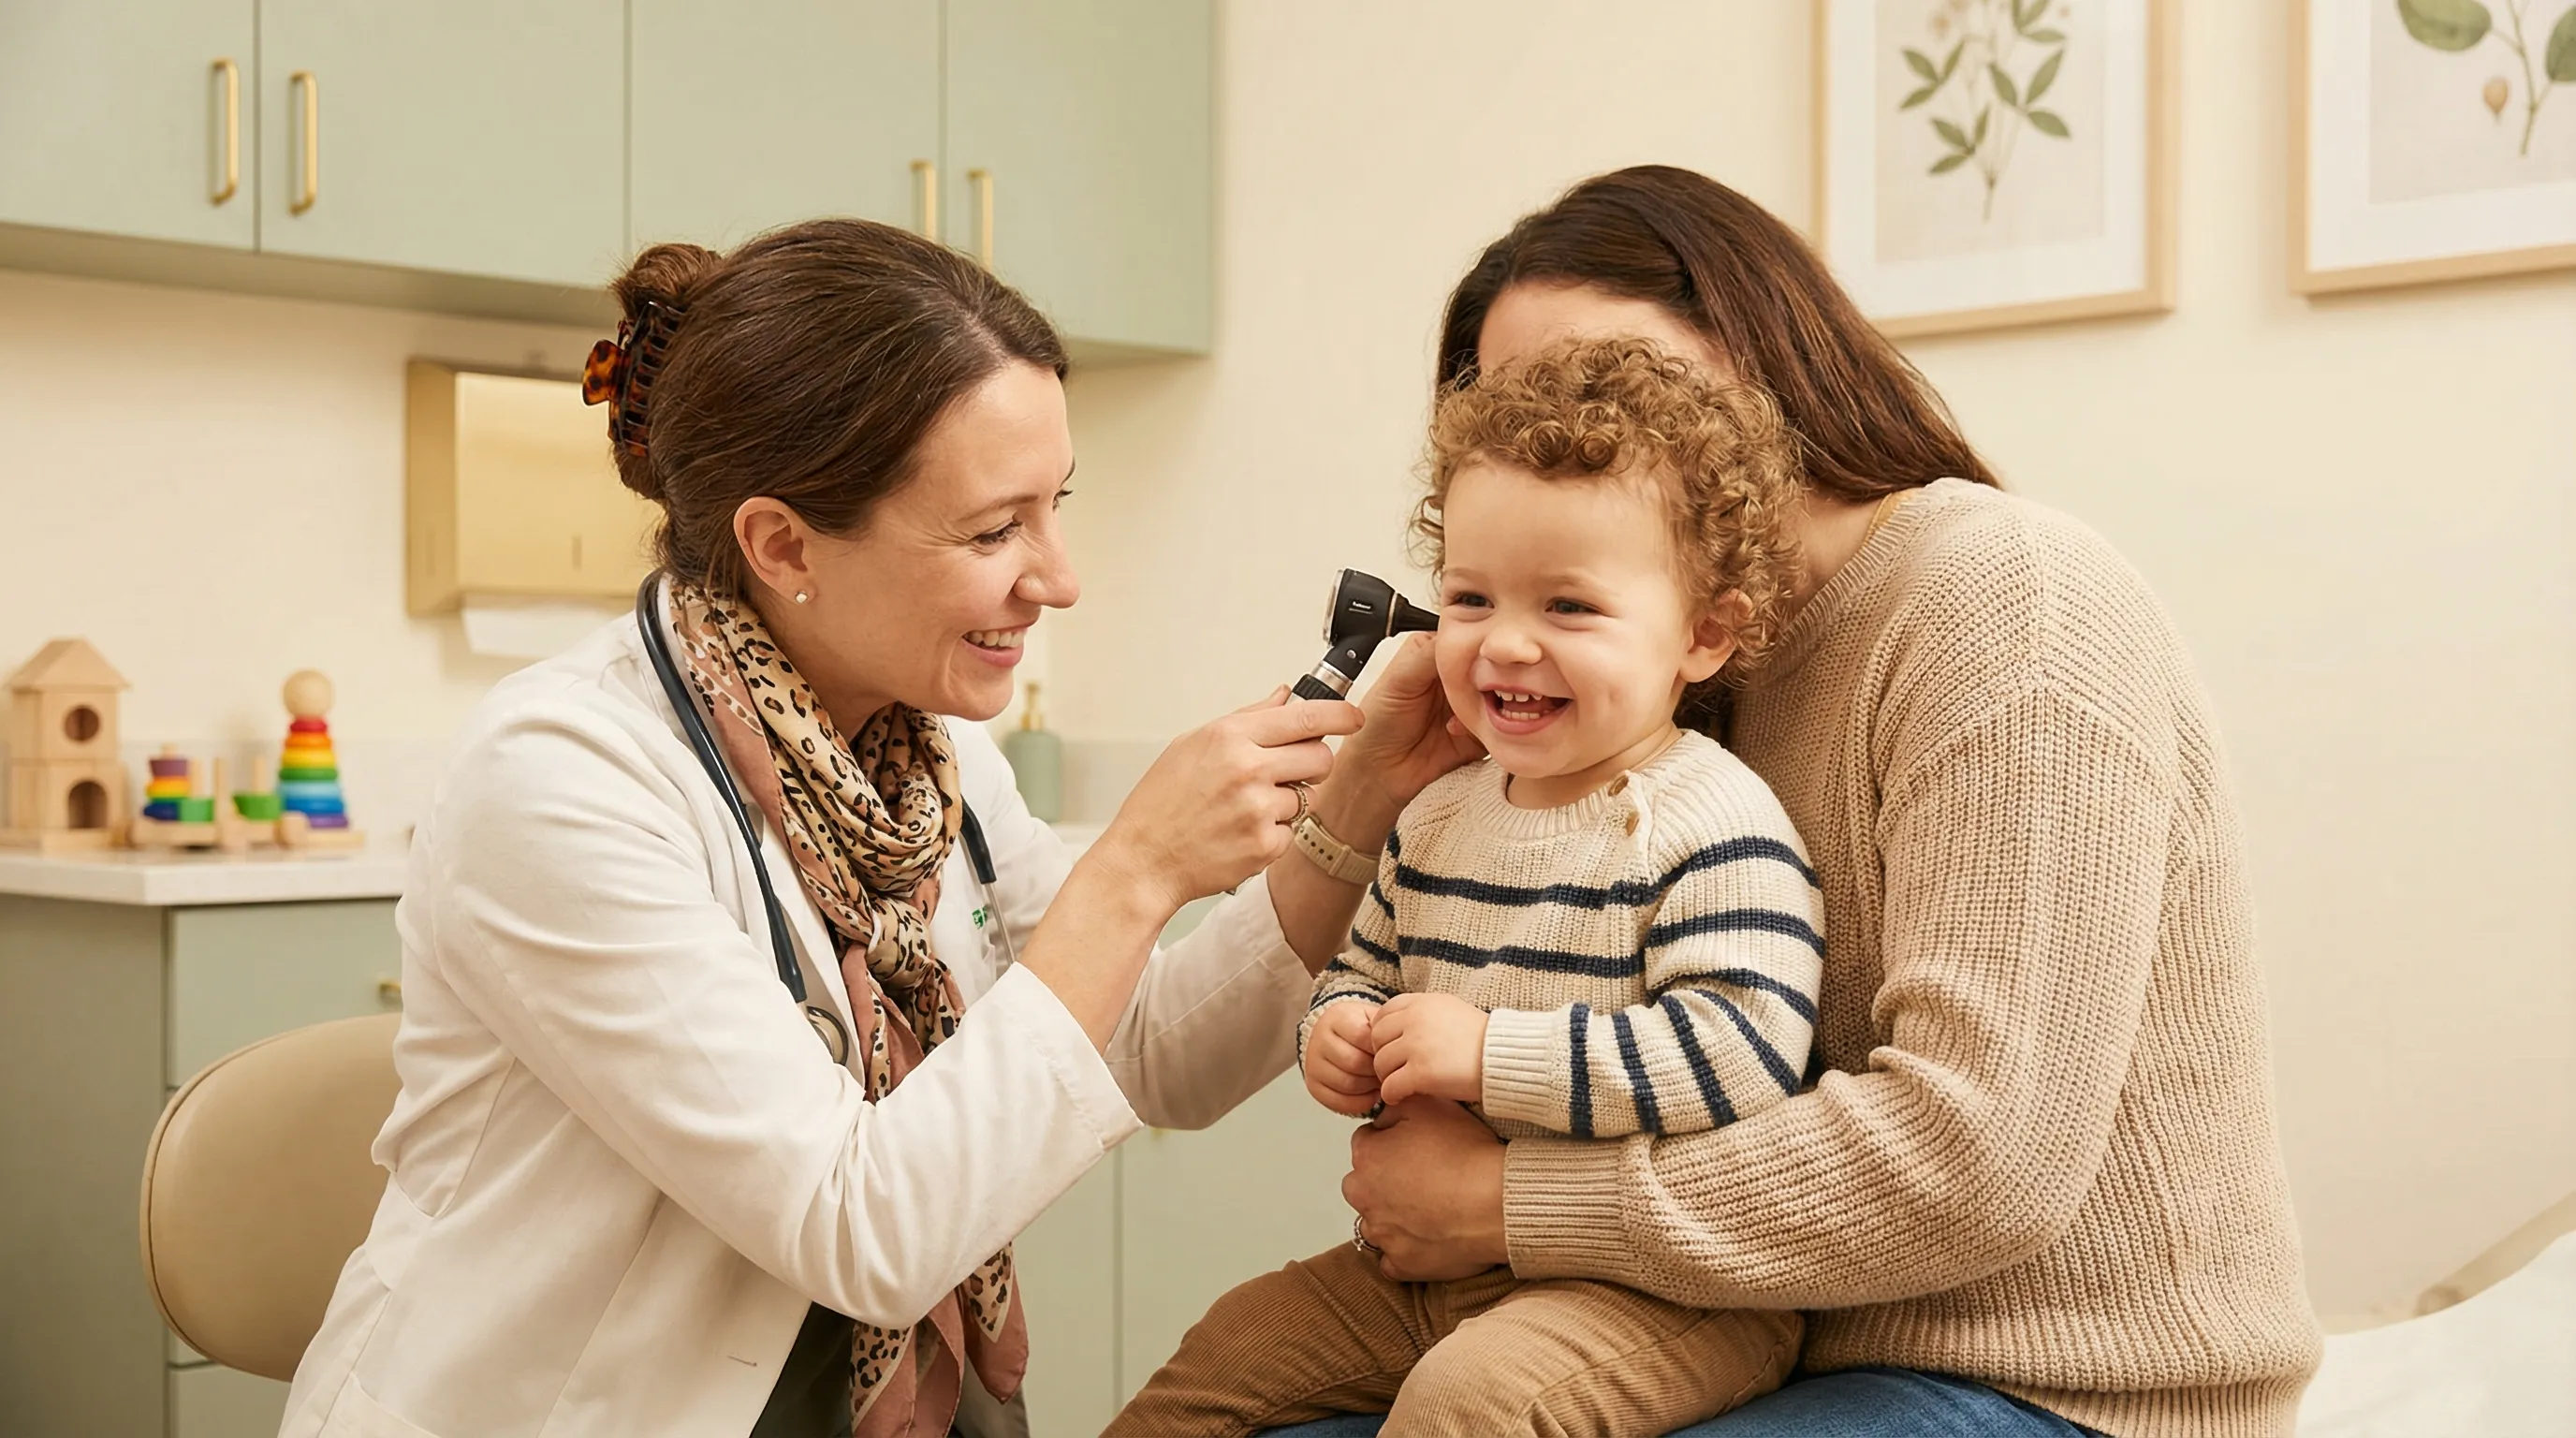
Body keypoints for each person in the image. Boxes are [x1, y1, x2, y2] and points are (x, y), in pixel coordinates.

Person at [275, 218, 1481, 1438]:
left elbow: (1155, 1051)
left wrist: (1356, 805)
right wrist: (1137, 868)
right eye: (994, 529)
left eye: (1054, 508)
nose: (1058, 579)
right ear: (783, 544)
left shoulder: (926, 754)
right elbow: (861, 1230)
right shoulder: (560, 778)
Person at [1310, 167, 2323, 1437]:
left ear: (1765, 347)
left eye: (1617, 372)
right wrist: (1370, 786)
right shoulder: (1632, 678)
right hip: (1740, 1340)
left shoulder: (2009, 606)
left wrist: (1508, 1205)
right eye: (1522, 405)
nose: (1590, 423)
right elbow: (1374, 974)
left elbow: (1980, 1159)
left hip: (2058, 1388)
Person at [1108, 338, 1824, 1438]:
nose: (1506, 645)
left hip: (1653, 1293)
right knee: (1221, 1354)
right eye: (1471, 598)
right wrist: (1339, 1032)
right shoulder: (1439, 814)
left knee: (1471, 1406)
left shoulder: (1714, 822)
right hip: (1426, 1273)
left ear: (1705, 634)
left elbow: (1741, 1052)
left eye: (1570, 608)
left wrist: (1490, 1055)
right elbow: (1360, 970)